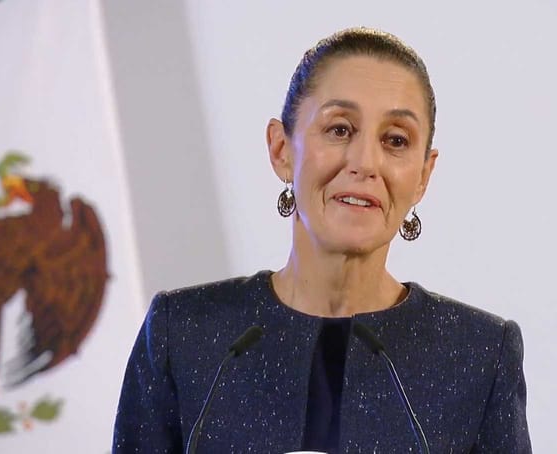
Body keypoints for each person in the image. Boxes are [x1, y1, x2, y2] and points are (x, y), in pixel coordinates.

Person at [113, 27, 531, 453]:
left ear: (424, 175)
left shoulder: (480, 354)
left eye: (396, 140)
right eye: (339, 130)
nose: (365, 162)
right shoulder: (183, 336)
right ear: (281, 150)